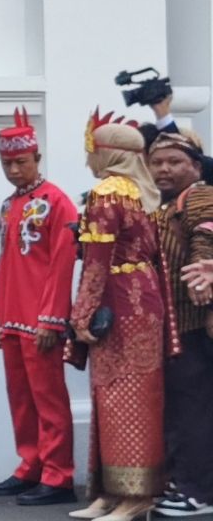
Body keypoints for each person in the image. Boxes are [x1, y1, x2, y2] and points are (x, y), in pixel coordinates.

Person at [69, 111, 169, 521]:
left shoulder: (108, 192)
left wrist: (80, 315)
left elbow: (96, 261)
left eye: (92, 150)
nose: (88, 159)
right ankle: (112, 491)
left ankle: (135, 497)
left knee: (122, 398)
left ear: (106, 154)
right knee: (124, 396)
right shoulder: (141, 192)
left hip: (119, 300)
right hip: (143, 300)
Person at [0, 109, 79, 506]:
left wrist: (52, 319)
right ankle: (31, 465)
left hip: (41, 319)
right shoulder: (8, 205)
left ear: (37, 158)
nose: (14, 169)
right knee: (20, 399)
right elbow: (5, 264)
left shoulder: (57, 202)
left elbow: (62, 264)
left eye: (20, 162)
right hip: (11, 318)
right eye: (7, 163)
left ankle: (59, 475)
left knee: (49, 400)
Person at [144, 130, 213, 519]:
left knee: (193, 410)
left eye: (175, 162)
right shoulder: (163, 208)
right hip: (172, 330)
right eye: (157, 162)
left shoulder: (200, 196)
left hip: (194, 326)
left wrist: (203, 278)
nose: (164, 169)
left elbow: (206, 232)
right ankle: (183, 481)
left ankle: (198, 491)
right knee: (180, 409)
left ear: (196, 167)